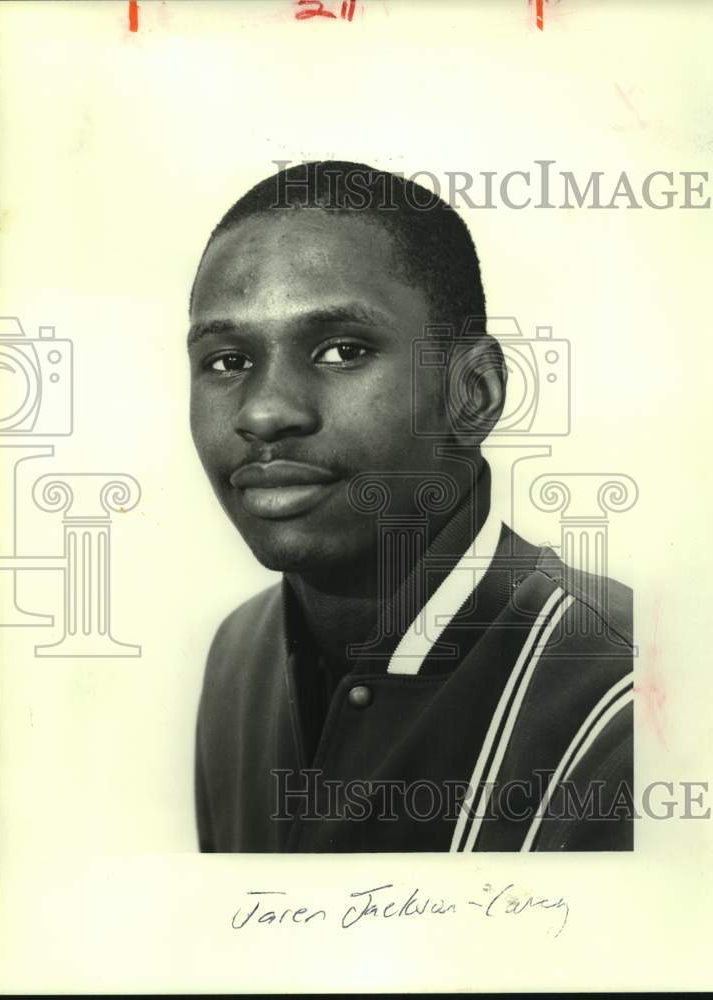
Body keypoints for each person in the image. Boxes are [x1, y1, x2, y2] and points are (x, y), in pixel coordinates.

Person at [189, 161, 633, 853]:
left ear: (473, 393)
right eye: (226, 361)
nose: (265, 411)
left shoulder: (627, 692)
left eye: (341, 350)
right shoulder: (237, 657)